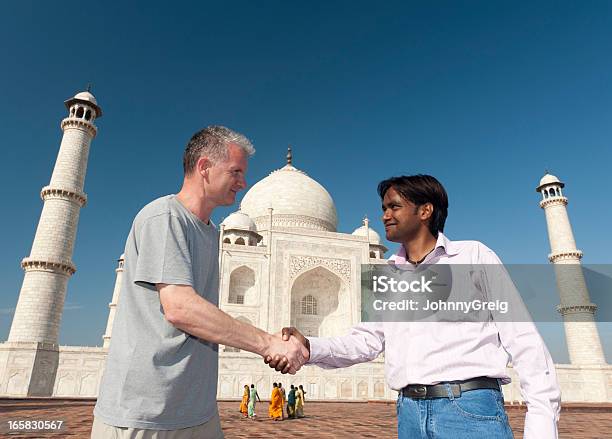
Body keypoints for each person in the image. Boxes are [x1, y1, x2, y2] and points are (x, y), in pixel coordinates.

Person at [267, 175, 561, 439]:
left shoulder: (473, 256)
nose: (385, 215)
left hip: (469, 411)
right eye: (384, 208)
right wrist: (309, 347)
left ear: (425, 210)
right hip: (409, 413)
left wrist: (543, 426)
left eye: (394, 207)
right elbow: (367, 341)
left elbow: (523, 339)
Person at [91, 126, 307, 439]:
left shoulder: (211, 233)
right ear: (204, 167)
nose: (244, 183)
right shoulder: (164, 217)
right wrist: (268, 343)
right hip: (145, 412)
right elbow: (180, 308)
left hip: (196, 410)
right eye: (235, 172)